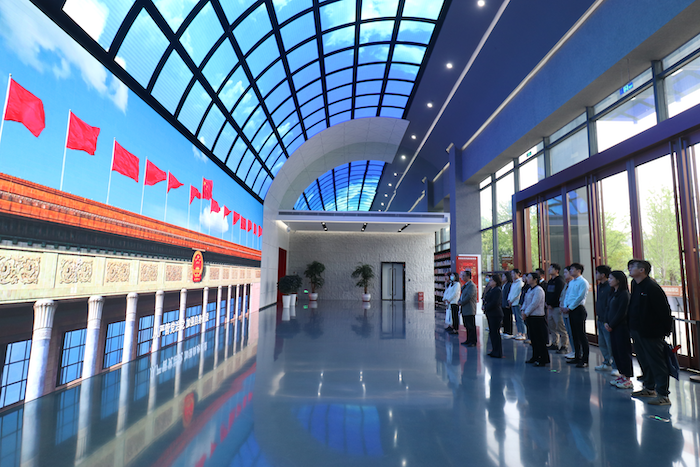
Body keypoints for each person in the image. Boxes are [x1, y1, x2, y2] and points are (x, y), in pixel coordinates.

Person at [627, 259, 674, 406]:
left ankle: (663, 394)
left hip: (651, 332)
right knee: (644, 360)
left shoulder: (652, 287)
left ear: (642, 270)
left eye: (633, 267)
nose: (629, 269)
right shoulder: (635, 284)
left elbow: (664, 310)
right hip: (637, 330)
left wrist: (666, 330)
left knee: (657, 362)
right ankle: (649, 388)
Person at [605, 270, 633, 389]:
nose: (609, 280)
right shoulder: (613, 293)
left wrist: (612, 324)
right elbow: (608, 309)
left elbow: (622, 312)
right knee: (616, 351)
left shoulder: (624, 294)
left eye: (611, 278)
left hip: (621, 327)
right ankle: (622, 375)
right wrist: (607, 322)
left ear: (618, 280)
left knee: (623, 352)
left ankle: (627, 378)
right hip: (612, 327)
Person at [562, 263, 590, 368]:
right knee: (574, 334)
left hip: (578, 309)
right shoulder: (572, 282)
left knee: (581, 335)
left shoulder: (583, 282)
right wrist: (565, 306)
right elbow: (567, 295)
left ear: (579, 270)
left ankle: (585, 359)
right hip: (570, 309)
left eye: (572, 269)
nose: (570, 271)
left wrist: (569, 307)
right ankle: (577, 356)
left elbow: (580, 297)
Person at [521, 272, 549, 366]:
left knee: (539, 338)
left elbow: (534, 303)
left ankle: (543, 358)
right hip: (530, 316)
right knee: (533, 338)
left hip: (537, 317)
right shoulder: (529, 289)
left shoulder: (539, 290)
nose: (527, 279)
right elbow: (525, 301)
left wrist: (526, 312)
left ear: (535, 279)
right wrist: (523, 310)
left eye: (529, 277)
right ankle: (535, 356)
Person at [594, 265, 615, 373]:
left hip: (607, 320)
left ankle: (615, 366)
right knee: (602, 343)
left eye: (597, 273)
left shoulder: (609, 287)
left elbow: (609, 304)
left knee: (610, 344)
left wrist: (608, 319)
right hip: (600, 318)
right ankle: (606, 362)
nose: (596, 275)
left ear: (603, 275)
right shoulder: (599, 286)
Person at [545, 263, 568, 352]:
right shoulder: (550, 281)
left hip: (557, 307)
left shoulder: (560, 281)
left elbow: (558, 294)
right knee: (552, 326)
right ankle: (554, 343)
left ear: (557, 271)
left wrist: (552, 303)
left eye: (551, 268)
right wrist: (547, 303)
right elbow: (547, 293)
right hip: (550, 307)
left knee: (560, 327)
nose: (549, 270)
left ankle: (564, 345)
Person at [483, 274, 504, 358]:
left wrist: (486, 307)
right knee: (492, 332)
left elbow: (495, 302)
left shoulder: (497, 290)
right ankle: (494, 350)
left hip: (495, 314)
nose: (490, 281)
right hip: (490, 313)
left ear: (495, 281)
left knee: (495, 333)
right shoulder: (490, 289)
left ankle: (498, 351)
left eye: (491, 280)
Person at [560, 267, 576, 357]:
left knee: (573, 332)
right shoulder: (566, 284)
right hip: (564, 310)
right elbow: (563, 296)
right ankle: (573, 350)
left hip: (570, 310)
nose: (565, 274)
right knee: (569, 332)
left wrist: (568, 308)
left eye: (566, 272)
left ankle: (575, 351)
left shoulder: (575, 284)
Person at [459, 270, 478, 346]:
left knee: (471, 326)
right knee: (467, 325)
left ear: (468, 276)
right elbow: (462, 295)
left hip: (469, 308)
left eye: (464, 276)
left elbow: (469, 296)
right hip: (464, 309)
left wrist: (461, 302)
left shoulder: (472, 286)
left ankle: (473, 341)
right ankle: (468, 339)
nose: (462, 277)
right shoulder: (465, 286)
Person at [509, 269, 527, 340]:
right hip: (512, 303)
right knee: (516, 319)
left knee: (520, 319)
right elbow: (511, 292)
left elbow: (517, 294)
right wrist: (509, 299)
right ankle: (519, 332)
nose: (512, 275)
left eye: (513, 273)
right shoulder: (513, 283)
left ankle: (523, 333)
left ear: (518, 274)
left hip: (516, 302)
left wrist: (511, 300)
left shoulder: (520, 283)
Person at [501, 271, 514, 339]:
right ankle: (505, 330)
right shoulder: (504, 285)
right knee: (504, 318)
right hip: (503, 304)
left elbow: (508, 295)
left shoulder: (509, 285)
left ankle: (509, 331)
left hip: (507, 304)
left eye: (504, 276)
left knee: (508, 318)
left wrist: (508, 303)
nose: (502, 277)